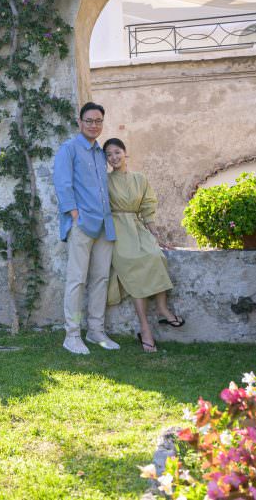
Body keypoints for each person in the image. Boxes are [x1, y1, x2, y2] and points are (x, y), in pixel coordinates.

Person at [102, 137, 183, 353]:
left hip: (137, 227)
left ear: (125, 153)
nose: (114, 157)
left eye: (117, 152)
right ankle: (145, 329)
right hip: (118, 230)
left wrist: (157, 235)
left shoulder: (140, 179)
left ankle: (163, 309)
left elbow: (148, 207)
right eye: (109, 154)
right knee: (133, 266)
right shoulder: (104, 181)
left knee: (157, 257)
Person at [53, 102, 119, 355]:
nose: (94, 125)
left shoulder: (101, 154)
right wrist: (75, 214)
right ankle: (72, 335)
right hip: (82, 224)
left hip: (105, 224)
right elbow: (62, 184)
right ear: (80, 123)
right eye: (89, 120)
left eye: (98, 121)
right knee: (76, 280)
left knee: (101, 278)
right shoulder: (69, 149)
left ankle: (96, 331)